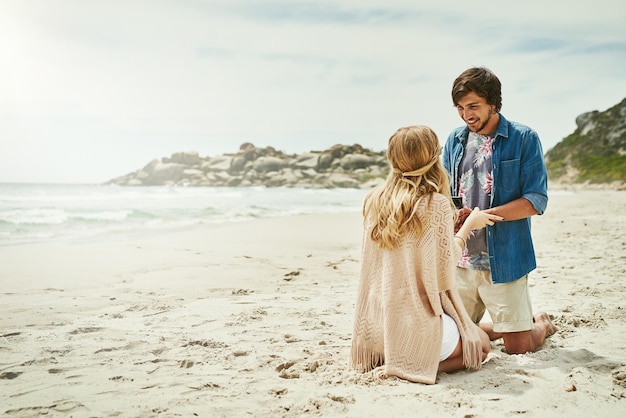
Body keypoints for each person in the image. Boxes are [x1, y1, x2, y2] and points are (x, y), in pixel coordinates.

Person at [350, 125, 502, 384]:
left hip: (378, 328)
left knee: (471, 330)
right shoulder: (436, 203)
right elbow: (444, 273)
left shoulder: (374, 200)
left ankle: (406, 356)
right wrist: (467, 227)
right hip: (414, 327)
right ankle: (411, 363)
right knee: (483, 347)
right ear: (433, 157)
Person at [442, 67, 557, 355]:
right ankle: (504, 328)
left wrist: (485, 217)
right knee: (454, 342)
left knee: (520, 348)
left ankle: (540, 323)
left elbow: (535, 200)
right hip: (459, 261)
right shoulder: (454, 140)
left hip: (505, 260)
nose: (466, 114)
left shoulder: (524, 138)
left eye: (473, 106)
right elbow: (442, 193)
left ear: (493, 103)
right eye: (460, 107)